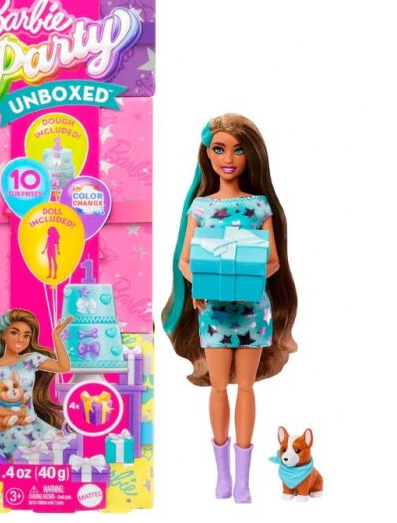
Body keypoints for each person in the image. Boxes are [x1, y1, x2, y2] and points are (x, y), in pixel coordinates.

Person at [161, 114, 297, 503]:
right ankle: (222, 475)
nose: (228, 158)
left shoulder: (259, 206)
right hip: (214, 314)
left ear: (251, 155)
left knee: (246, 388)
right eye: (219, 149)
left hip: (252, 311)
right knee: (218, 387)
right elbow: (185, 259)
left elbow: (273, 261)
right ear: (207, 153)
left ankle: (243, 481)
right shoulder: (201, 208)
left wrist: (248, 278)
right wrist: (199, 284)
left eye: (238, 150)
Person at [0, 308, 72, 461]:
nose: (21, 339)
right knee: (25, 460)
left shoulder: (31, 359)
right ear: (3, 334)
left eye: (26, 335)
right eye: (14, 333)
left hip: (32, 422)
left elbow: (63, 367)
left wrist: (56, 336)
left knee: (64, 445)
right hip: (4, 427)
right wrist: (12, 414)